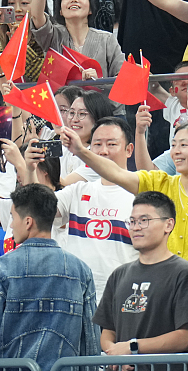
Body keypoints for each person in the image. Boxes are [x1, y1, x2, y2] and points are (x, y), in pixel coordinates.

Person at [0, 184, 100, 367]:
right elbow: (91, 343)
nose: (10, 224)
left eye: (12, 217)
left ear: (28, 222)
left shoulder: (1, 268)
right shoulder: (81, 270)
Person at [65, 118, 188, 260]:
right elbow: (115, 173)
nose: (176, 151)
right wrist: (80, 151)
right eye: (173, 145)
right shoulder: (159, 183)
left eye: (184, 145)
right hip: (165, 284)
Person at [29, 121, 136, 297]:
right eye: (97, 144)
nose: (103, 151)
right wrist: (29, 168)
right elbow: (40, 209)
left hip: (121, 297)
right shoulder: (78, 190)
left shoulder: (141, 195)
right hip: (75, 297)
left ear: (129, 150)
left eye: (112, 144)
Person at [92, 190, 188, 356]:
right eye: (132, 221)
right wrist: (115, 352)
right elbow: (107, 330)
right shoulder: (119, 274)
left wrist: (132, 348)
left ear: (168, 224)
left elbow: (185, 337)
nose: (136, 227)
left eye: (144, 220)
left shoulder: (183, 272)